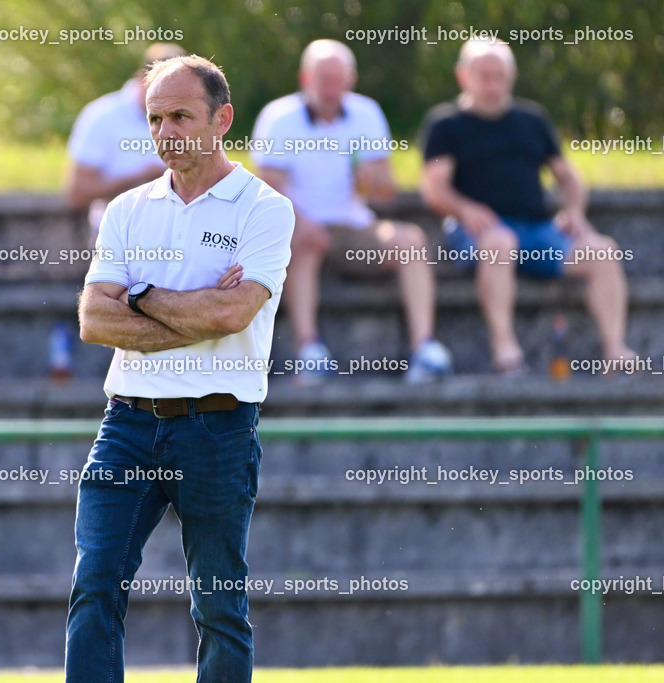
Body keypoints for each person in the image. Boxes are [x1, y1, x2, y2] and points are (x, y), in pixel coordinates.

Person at [66, 55, 295, 683]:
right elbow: (92, 320)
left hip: (218, 428)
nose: (166, 132)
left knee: (219, 604)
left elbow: (232, 315)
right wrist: (192, 313)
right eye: (155, 119)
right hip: (127, 424)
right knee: (94, 586)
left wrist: (139, 295)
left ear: (221, 119)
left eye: (180, 117)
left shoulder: (264, 209)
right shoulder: (127, 209)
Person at [419, 39, 636, 375]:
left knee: (604, 251)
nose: (493, 84)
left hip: (538, 232)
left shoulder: (532, 120)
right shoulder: (444, 125)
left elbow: (569, 178)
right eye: (484, 75)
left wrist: (575, 211)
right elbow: (434, 188)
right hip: (477, 235)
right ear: (463, 76)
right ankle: (505, 349)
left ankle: (615, 351)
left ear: (512, 76)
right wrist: (465, 209)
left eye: (500, 76)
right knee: (500, 243)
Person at [252, 39, 451, 383]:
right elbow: (269, 190)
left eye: (337, 79)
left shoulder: (367, 113)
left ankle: (425, 349)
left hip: (352, 227)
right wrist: (301, 222)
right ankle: (308, 349)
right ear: (305, 78)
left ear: (351, 79)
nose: (331, 88)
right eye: (323, 79)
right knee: (306, 239)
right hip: (297, 227)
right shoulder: (278, 117)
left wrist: (373, 181)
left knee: (411, 239)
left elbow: (386, 191)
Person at [65, 42, 187, 238]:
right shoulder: (101, 116)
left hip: (180, 235)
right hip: (118, 236)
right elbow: (78, 194)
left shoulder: (194, 117)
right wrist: (141, 178)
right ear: (144, 80)